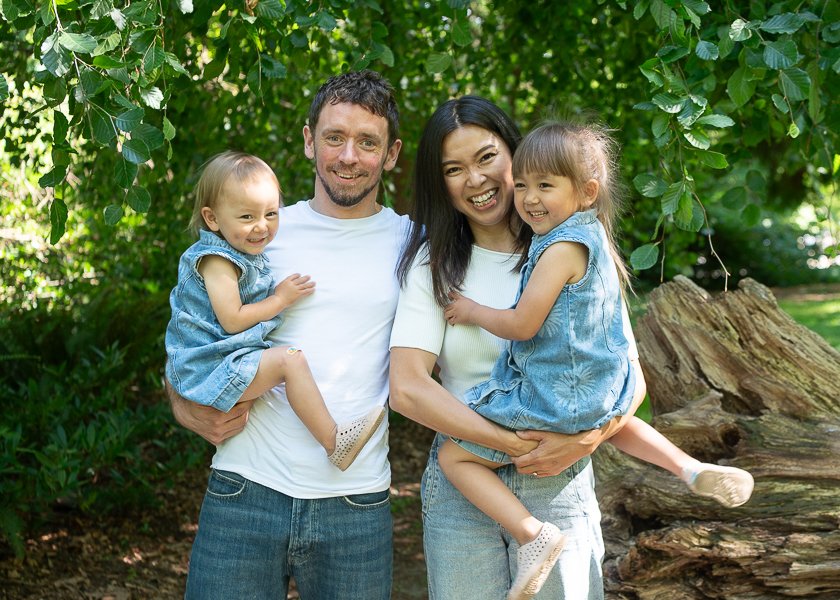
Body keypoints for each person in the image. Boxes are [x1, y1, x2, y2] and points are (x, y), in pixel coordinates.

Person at [437, 121, 755, 599]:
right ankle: (688, 468)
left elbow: (523, 325)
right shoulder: (597, 240)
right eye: (521, 185)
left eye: (545, 185)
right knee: (620, 424)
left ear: (586, 192)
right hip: (604, 389)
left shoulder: (558, 249)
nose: (529, 198)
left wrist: (472, 310)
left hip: (552, 396)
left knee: (452, 455)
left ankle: (532, 534)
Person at [389, 96, 646, 600]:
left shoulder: (571, 248)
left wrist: (589, 440)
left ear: (516, 153)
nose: (475, 179)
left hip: (558, 477)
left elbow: (630, 375)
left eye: (487, 157)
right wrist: (508, 445)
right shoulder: (433, 265)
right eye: (454, 169)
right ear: (440, 183)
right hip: (467, 482)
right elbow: (408, 389)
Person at [167, 70, 410, 599]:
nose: (348, 155)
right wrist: (180, 402)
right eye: (334, 137)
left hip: (355, 500)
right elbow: (192, 327)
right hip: (244, 486)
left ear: (391, 153)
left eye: (368, 142)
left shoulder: (413, 243)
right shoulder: (257, 228)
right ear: (308, 141)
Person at [165, 150, 386, 471]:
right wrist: (280, 299)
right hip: (210, 370)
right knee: (290, 360)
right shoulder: (216, 260)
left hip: (221, 365)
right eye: (246, 217)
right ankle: (334, 442)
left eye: (271, 214)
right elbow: (232, 318)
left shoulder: (244, 252)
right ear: (212, 218)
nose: (261, 228)